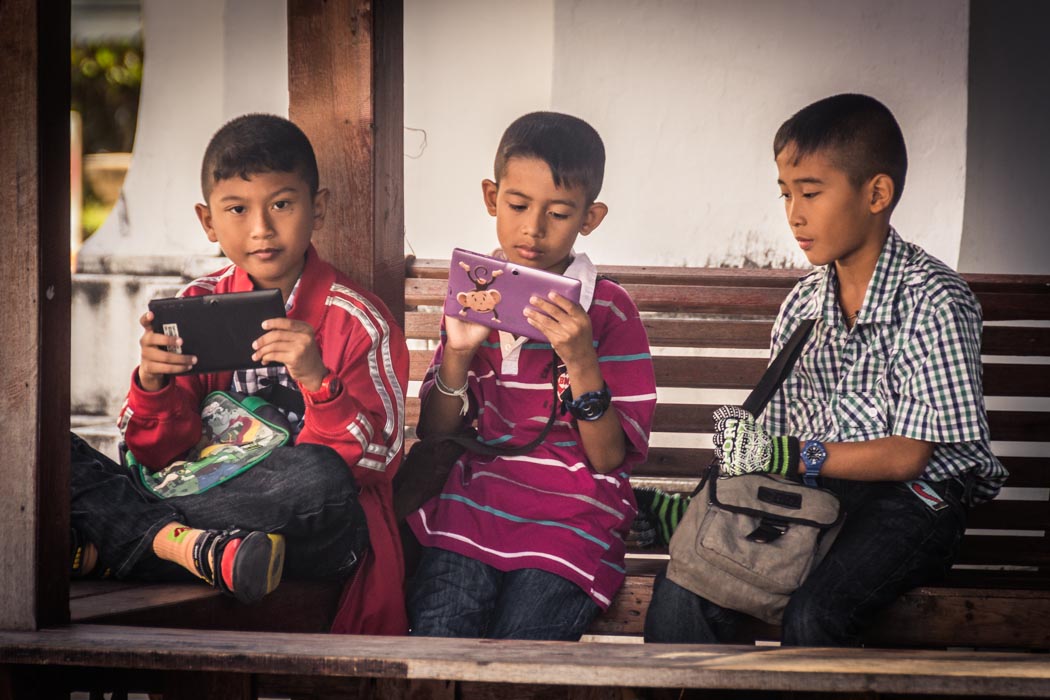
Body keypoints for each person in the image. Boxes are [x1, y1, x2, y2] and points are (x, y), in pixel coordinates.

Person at [642, 93, 1008, 647]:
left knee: (815, 615)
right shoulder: (803, 307)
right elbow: (783, 446)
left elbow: (908, 455)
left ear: (876, 194)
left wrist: (786, 455)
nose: (794, 213)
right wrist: (743, 462)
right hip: (821, 496)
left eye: (811, 192)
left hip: (916, 503)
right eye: (786, 193)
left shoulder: (934, 300)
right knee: (685, 585)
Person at [70, 114, 410, 635]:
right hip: (223, 523)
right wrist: (154, 387)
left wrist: (319, 382)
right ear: (208, 221)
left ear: (317, 208)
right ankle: (192, 548)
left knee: (316, 476)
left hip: (314, 532)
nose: (261, 228)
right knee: (51, 448)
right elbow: (153, 456)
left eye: (282, 204)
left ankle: (125, 536)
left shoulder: (357, 318)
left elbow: (378, 463)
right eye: (237, 209)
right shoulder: (192, 306)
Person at [405, 112, 657, 640]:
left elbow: (610, 457)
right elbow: (435, 429)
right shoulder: (475, 290)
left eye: (559, 213)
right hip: (473, 509)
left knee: (522, 650)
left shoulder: (609, 310)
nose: (533, 228)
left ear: (590, 217)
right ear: (491, 197)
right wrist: (457, 352)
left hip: (572, 520)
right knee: (437, 637)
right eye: (518, 205)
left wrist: (581, 359)